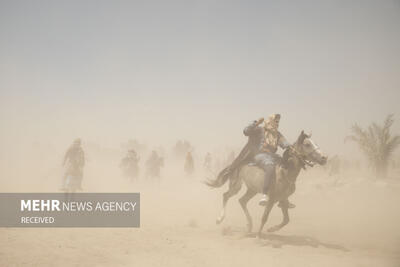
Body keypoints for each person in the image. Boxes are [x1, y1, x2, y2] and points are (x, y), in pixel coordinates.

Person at [215, 114, 295, 207]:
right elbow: (246, 131)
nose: (277, 123)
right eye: (276, 121)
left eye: (278, 122)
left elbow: (285, 143)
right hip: (260, 155)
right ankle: (265, 195)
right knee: (270, 166)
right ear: (271, 121)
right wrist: (256, 123)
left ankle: (283, 199)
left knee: (286, 166)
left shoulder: (277, 134)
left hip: (273, 156)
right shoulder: (260, 130)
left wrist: (292, 147)